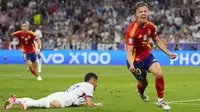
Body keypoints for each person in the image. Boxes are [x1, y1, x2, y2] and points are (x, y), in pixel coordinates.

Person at [125, 2, 177, 111]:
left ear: (148, 12)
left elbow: (157, 40)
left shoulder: (151, 26)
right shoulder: (131, 30)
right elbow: (129, 50)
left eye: (145, 11)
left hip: (147, 55)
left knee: (159, 73)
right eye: (140, 12)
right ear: (136, 14)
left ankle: (161, 100)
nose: (143, 13)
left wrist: (168, 53)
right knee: (144, 83)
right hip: (135, 61)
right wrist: (131, 64)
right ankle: (141, 92)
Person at [3, 72, 103, 111]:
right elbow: (89, 105)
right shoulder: (89, 86)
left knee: (42, 101)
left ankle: (16, 100)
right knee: (51, 104)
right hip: (67, 99)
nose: (96, 84)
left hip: (61, 94)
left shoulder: (79, 85)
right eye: (96, 82)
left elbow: (81, 102)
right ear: (92, 80)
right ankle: (26, 104)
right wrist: (96, 105)